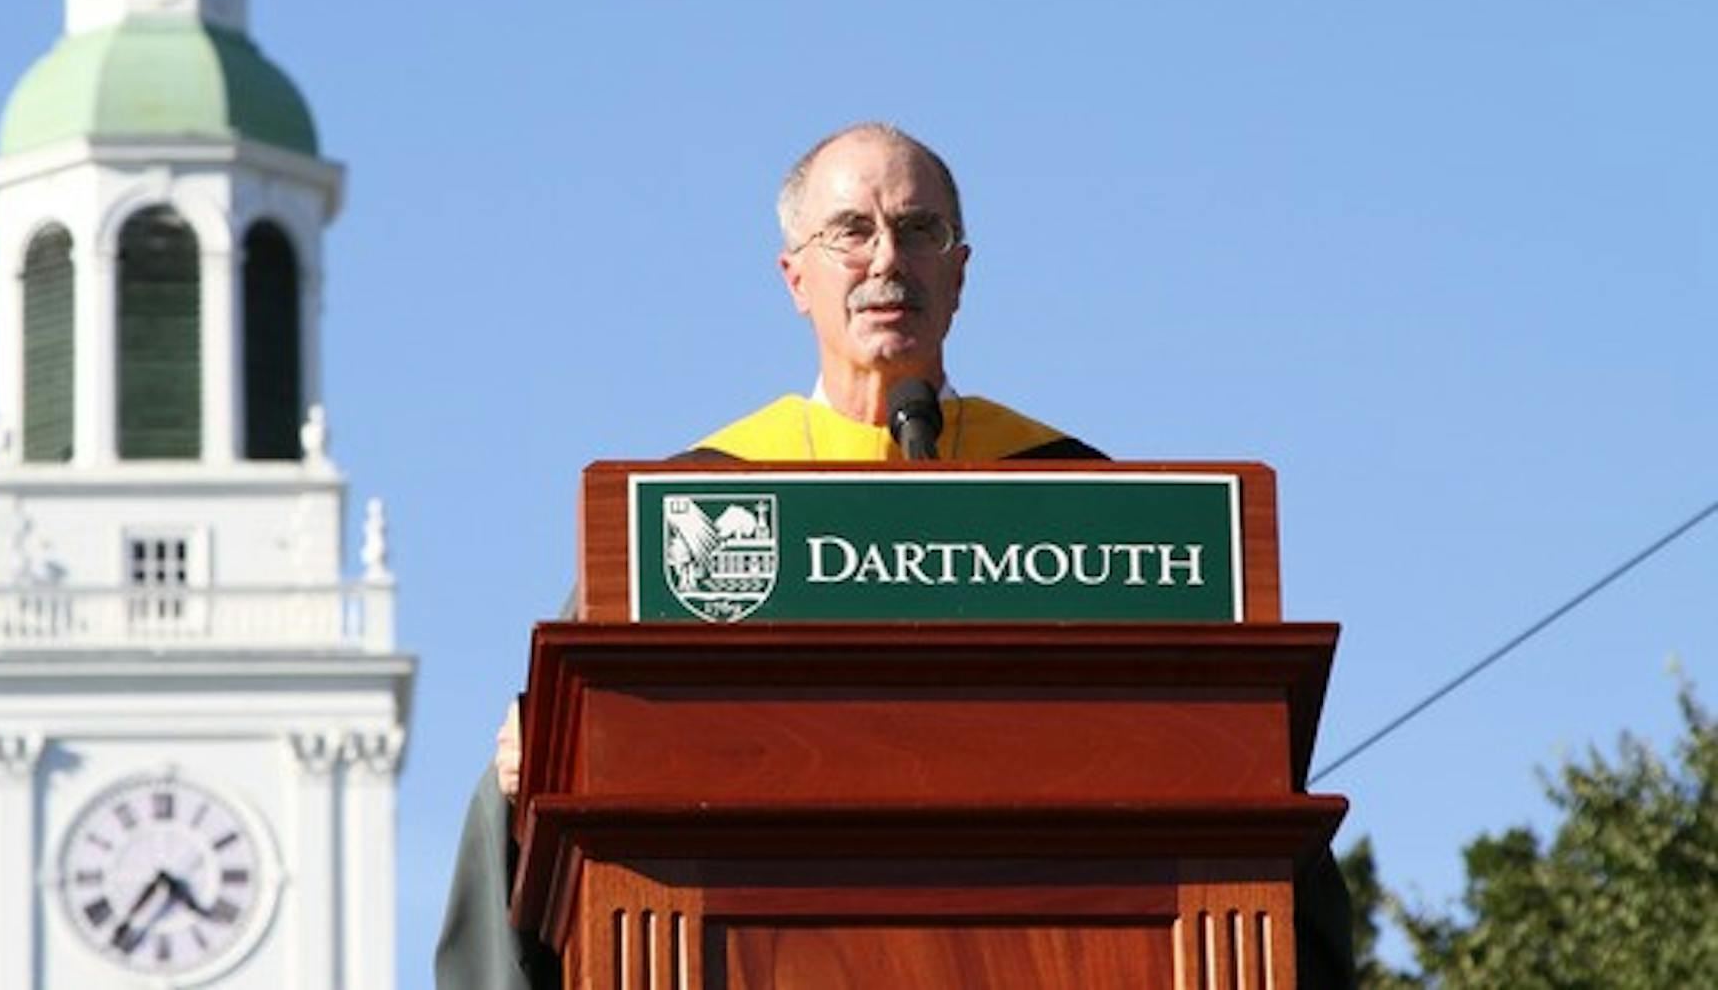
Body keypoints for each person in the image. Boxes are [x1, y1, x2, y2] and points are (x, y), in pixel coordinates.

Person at [436, 121, 1353, 989]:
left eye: (920, 230)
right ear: (795, 277)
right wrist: (526, 771)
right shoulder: (691, 511)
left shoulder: (1082, 502)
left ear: (959, 274)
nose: (887, 260)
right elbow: (565, 769)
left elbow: (1229, 753)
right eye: (852, 231)